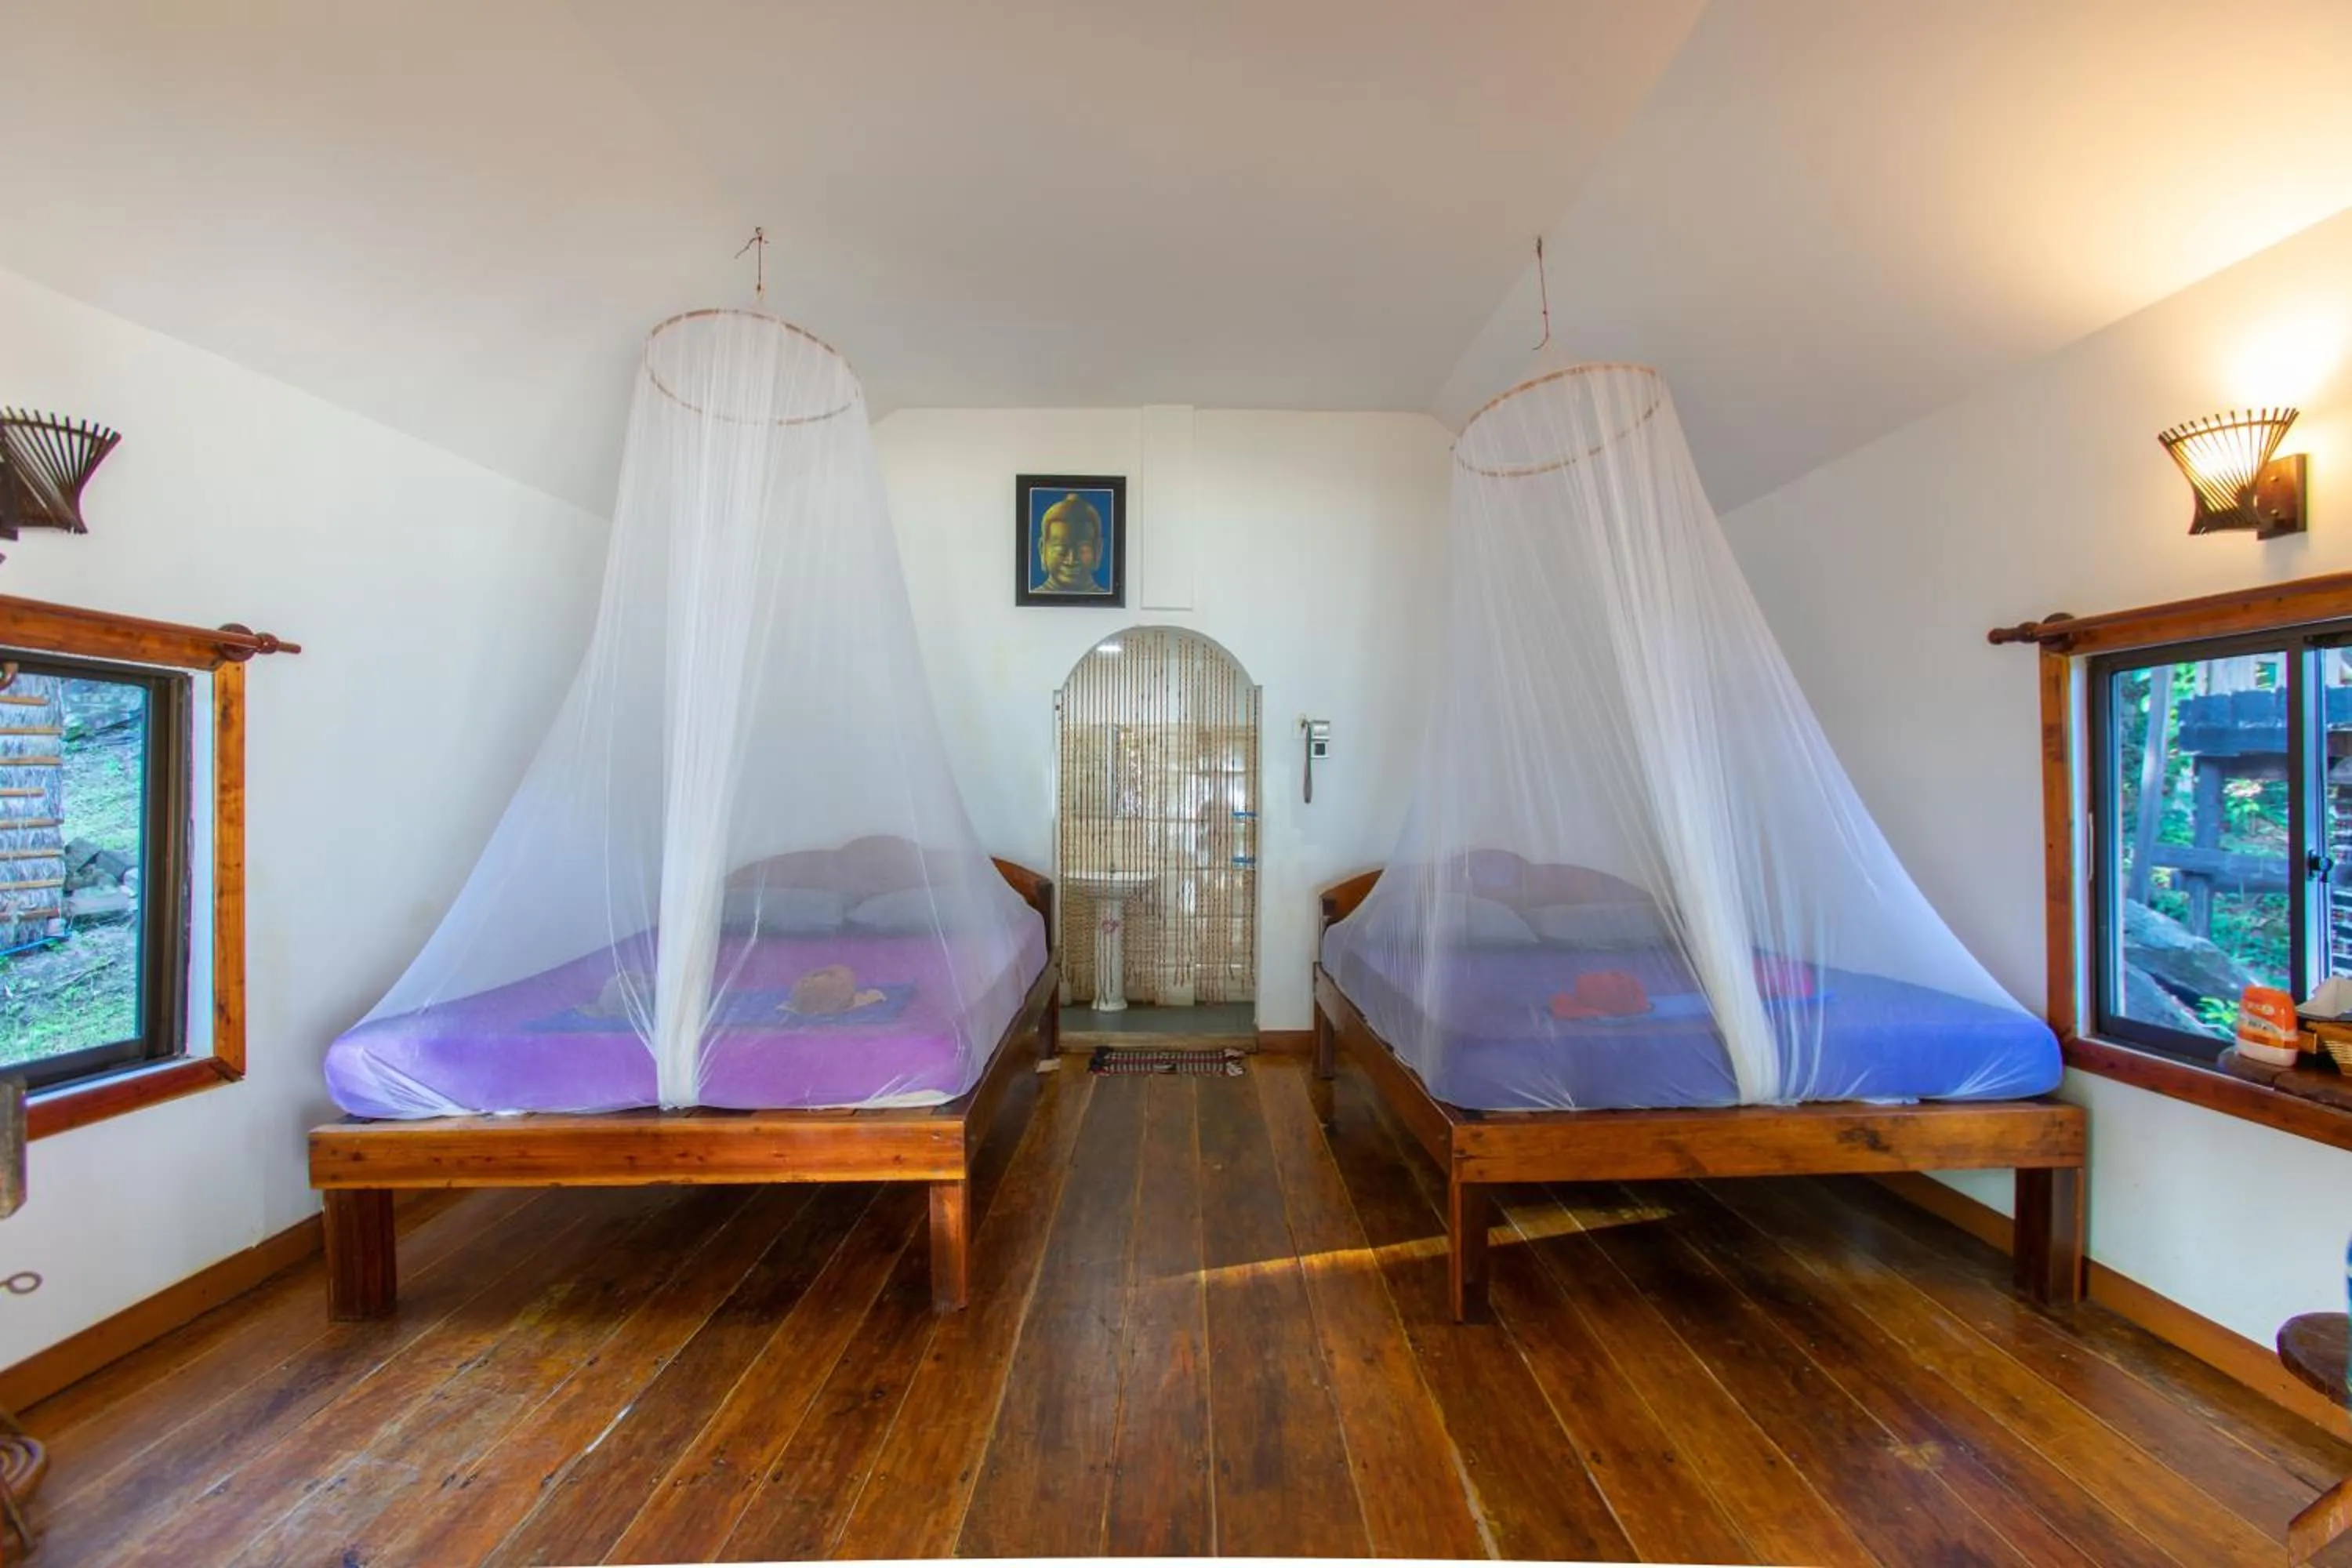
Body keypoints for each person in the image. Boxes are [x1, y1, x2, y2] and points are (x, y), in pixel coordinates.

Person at [1033, 491, 1108, 593]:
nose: (1071, 560)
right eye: (1061, 550)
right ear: (1042, 549)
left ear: (1098, 550)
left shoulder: (1105, 598)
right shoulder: (1034, 597)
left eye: (1082, 550)